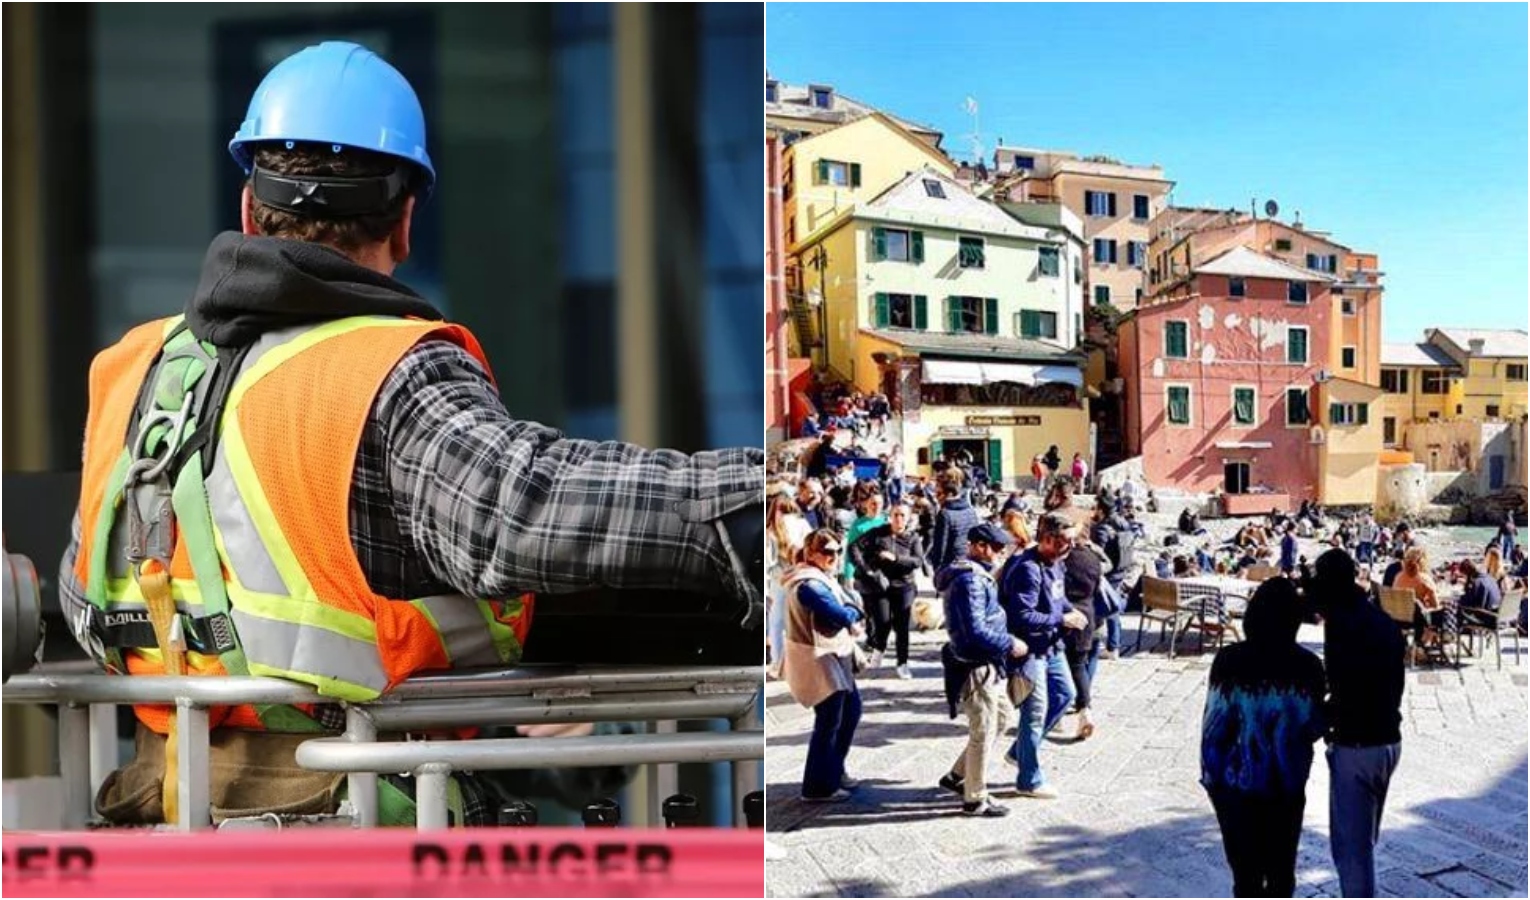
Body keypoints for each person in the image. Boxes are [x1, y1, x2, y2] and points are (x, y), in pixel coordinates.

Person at [57, 42, 761, 829]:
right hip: (353, 824)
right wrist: (749, 503)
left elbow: (83, 592)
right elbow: (519, 509)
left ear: (252, 210)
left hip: (157, 821)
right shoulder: (385, 370)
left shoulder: (133, 370)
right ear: (406, 220)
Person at [1200, 578, 1326, 898]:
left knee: (1245, 878)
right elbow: (1312, 727)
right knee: (1282, 873)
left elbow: (1214, 725)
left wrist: (1213, 781)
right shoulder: (1308, 666)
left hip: (1233, 787)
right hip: (1284, 786)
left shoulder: (1227, 660)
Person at [1312, 550, 1404, 899]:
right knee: (1364, 842)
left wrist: (1317, 721)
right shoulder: (1382, 620)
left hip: (1357, 747)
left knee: (1352, 853)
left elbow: (1344, 688)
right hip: (1389, 742)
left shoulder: (1343, 625)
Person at [936, 523, 1028, 817]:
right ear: (979, 546)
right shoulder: (970, 581)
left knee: (1002, 717)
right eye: (998, 549)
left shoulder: (976, 576)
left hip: (988, 662)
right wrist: (1008, 642)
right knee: (984, 728)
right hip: (977, 664)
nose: (1002, 555)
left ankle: (956, 776)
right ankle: (974, 798)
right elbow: (975, 630)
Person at [1001, 512, 1088, 799]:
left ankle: (1020, 751)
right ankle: (1029, 779)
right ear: (1048, 539)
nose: (1071, 547)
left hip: (1051, 647)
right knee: (1034, 713)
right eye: (1066, 541)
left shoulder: (1056, 564)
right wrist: (1060, 620)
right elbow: (1022, 615)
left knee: (1064, 696)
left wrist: (1068, 610)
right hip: (1030, 651)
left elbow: (1057, 596)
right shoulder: (1027, 569)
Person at [782, 530, 865, 803]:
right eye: (828, 552)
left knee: (850, 712)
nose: (835, 557)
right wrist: (854, 612)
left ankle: (833, 770)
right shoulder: (809, 584)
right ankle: (818, 786)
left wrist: (852, 610)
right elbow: (842, 613)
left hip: (833, 657)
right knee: (830, 722)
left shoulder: (821, 579)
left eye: (838, 551)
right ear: (812, 553)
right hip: (819, 661)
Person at [849, 503, 928, 679]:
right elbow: (853, 548)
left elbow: (917, 561)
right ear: (890, 516)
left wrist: (896, 558)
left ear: (908, 519)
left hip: (904, 585)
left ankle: (902, 663)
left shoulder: (912, 538)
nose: (899, 519)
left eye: (902, 515)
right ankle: (879, 650)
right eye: (896, 515)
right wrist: (867, 570)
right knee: (882, 621)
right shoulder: (878, 533)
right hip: (881, 585)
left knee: (902, 626)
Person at [1060, 531, 1104, 741]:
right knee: (1079, 665)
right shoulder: (1092, 558)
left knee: (1057, 666)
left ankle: (1056, 714)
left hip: (1064, 615)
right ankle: (1084, 709)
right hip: (1087, 614)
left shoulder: (1062, 559)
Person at [768, 494, 813, 680]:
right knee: (798, 622)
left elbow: (767, 562)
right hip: (799, 576)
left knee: (776, 622)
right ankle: (800, 663)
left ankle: (778, 663)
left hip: (779, 579)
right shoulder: (802, 524)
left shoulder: (771, 530)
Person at [927, 468, 982, 572]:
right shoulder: (971, 510)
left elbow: (940, 546)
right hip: (969, 560)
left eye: (938, 494)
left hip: (952, 564)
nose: (936, 498)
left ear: (949, 494)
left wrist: (937, 570)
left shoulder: (945, 514)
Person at [1394, 547, 1445, 655]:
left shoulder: (1398, 576)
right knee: (1441, 613)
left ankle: (1413, 646)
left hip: (1398, 618)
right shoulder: (1424, 579)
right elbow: (1436, 605)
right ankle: (1422, 644)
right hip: (1415, 621)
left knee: (1419, 607)